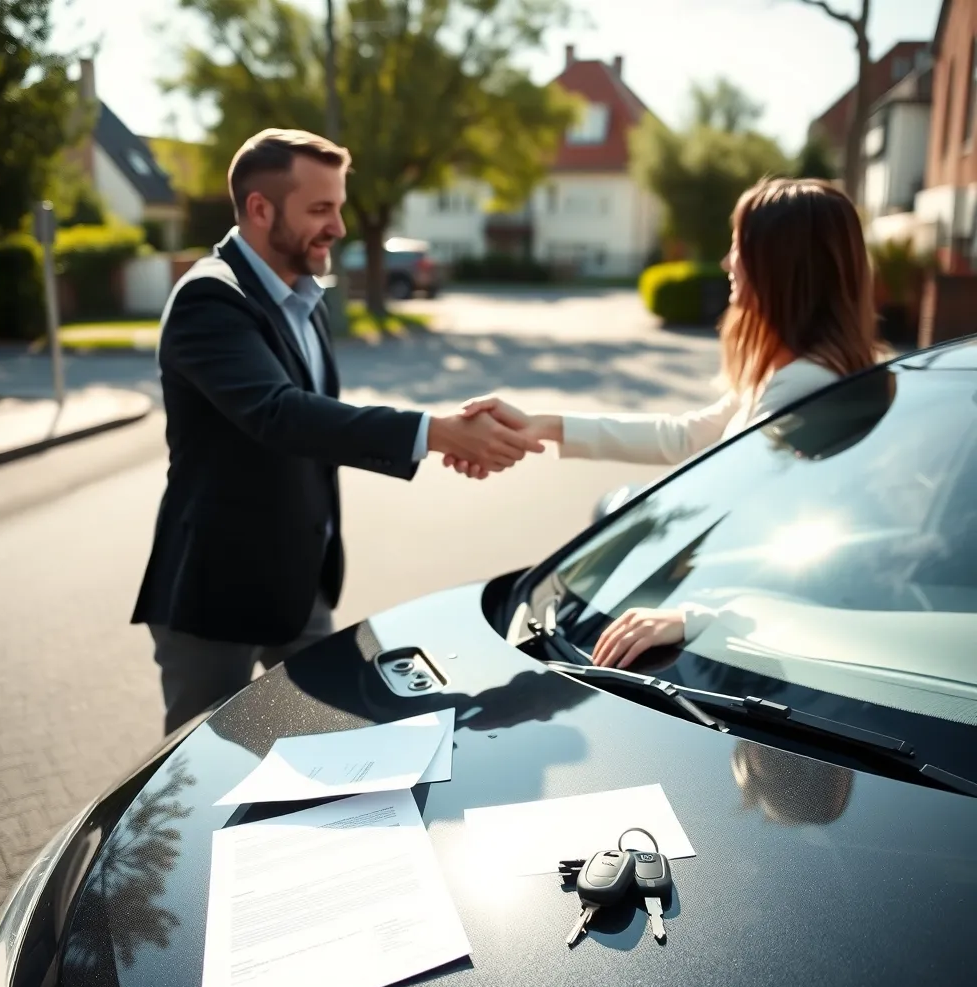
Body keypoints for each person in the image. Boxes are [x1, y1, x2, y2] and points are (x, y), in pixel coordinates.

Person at [132, 128, 542, 735]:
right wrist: (437, 434)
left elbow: (319, 429)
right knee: (200, 777)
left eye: (340, 206)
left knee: (345, 742)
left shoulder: (306, 298)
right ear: (260, 209)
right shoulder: (208, 300)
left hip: (300, 587)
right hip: (215, 596)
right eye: (321, 209)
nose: (340, 227)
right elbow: (280, 414)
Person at [447, 177, 884, 666]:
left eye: (738, 247)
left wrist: (698, 617)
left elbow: (775, 540)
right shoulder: (797, 375)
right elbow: (689, 436)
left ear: (779, 267)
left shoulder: (805, 389)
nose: (727, 263)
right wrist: (542, 427)